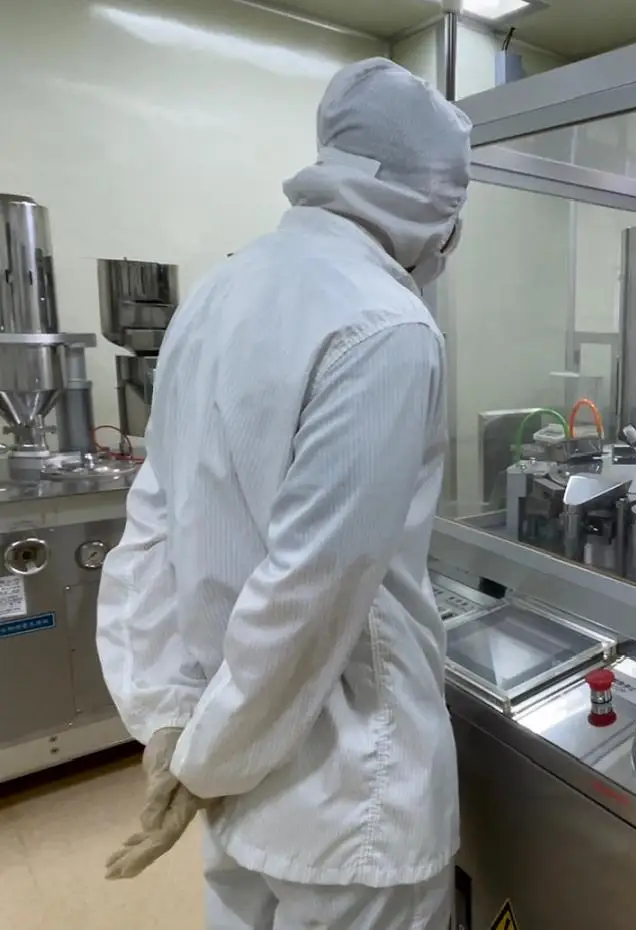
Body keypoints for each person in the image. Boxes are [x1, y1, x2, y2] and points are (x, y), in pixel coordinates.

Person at [96, 57, 470, 930]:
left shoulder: (219, 291)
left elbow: (154, 518)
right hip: (351, 798)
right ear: (436, 201)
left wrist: (175, 722)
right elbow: (314, 588)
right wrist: (204, 758)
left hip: (238, 774)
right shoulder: (387, 325)